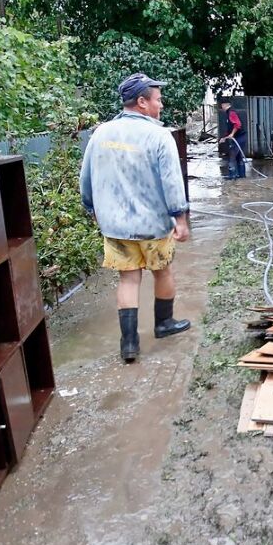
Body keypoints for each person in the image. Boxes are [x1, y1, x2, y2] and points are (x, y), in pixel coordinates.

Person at [80, 72, 192, 363]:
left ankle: (129, 343)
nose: (161, 104)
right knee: (163, 271)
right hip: (153, 226)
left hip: (116, 227)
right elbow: (172, 182)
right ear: (142, 102)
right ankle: (164, 324)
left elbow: (86, 178)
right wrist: (180, 217)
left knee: (128, 279)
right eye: (158, 99)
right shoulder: (159, 135)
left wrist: (92, 209)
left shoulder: (101, 133)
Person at [218, 98, 247, 179]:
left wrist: (232, 134)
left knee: (232, 156)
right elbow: (230, 128)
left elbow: (237, 125)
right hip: (241, 137)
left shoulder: (231, 113)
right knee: (239, 157)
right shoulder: (230, 113)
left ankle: (232, 176)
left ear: (225, 104)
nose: (221, 107)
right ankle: (241, 176)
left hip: (239, 138)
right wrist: (224, 138)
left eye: (222, 105)